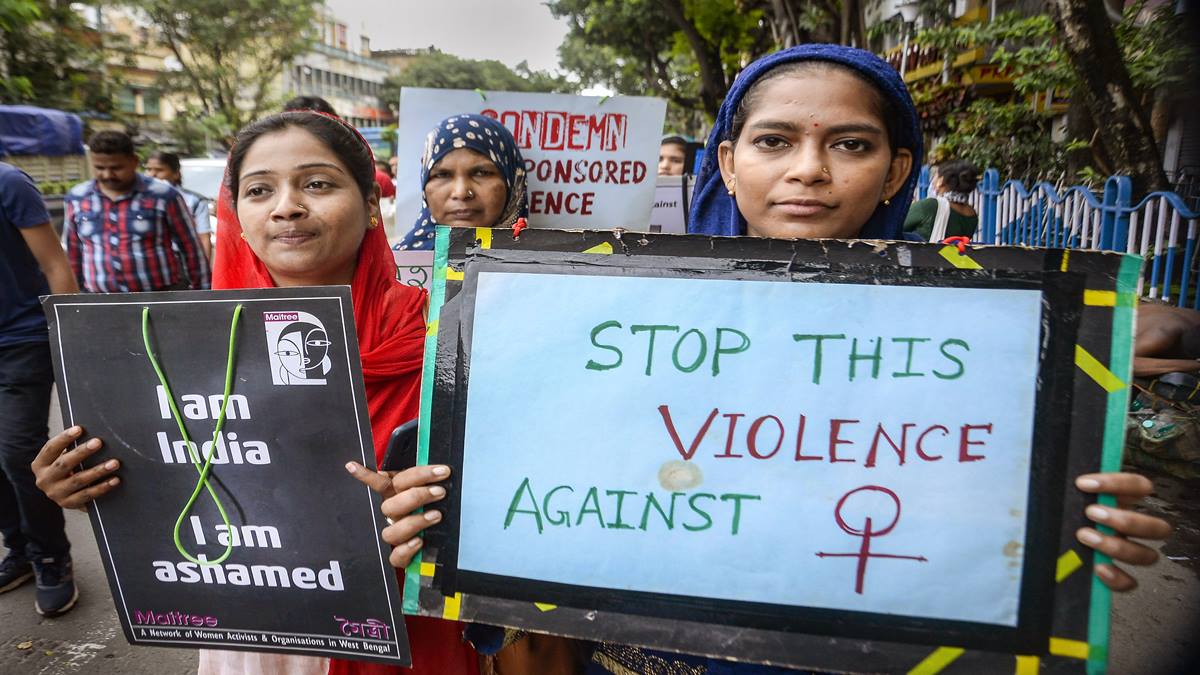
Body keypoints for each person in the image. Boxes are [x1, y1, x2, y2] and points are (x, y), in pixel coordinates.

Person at [572, 43, 1171, 674]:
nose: (808, 169)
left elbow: (983, 511)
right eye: (773, 141)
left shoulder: (983, 342)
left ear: (896, 169)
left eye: (851, 144)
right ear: (727, 161)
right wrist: (461, 500)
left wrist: (1067, 530)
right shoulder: (625, 320)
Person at [32, 111, 477, 674]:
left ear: (371, 205)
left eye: (316, 183)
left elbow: (509, 505)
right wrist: (85, 481)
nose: (286, 206)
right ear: (237, 217)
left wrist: (436, 509)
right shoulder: (172, 351)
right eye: (259, 190)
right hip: (255, 635)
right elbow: (164, 480)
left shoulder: (449, 340)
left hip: (405, 636)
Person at [0, 162, 80, 618]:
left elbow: (55, 264)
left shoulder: (9, 183)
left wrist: (69, 340)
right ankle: (19, 550)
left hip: (20, 341)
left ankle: (51, 556)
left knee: (17, 452)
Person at [62, 131, 210, 292]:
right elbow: (73, 253)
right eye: (99, 168)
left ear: (134, 161)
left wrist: (202, 296)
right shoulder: (77, 198)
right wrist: (74, 300)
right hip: (99, 303)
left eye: (116, 168)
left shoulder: (164, 196)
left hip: (159, 300)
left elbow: (191, 248)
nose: (107, 174)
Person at [392, 113, 528, 251]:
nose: (461, 192)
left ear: (512, 181)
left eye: (482, 173)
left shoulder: (541, 266)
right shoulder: (396, 268)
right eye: (442, 174)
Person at [145, 151, 213, 260]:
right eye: (148, 169)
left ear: (176, 174)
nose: (152, 175)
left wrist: (205, 268)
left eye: (159, 170)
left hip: (181, 260)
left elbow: (203, 237)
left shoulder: (194, 201)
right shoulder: (138, 199)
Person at [903, 159, 979, 241]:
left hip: (924, 253)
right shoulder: (972, 214)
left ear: (941, 181)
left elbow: (895, 225)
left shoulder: (931, 206)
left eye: (935, 176)